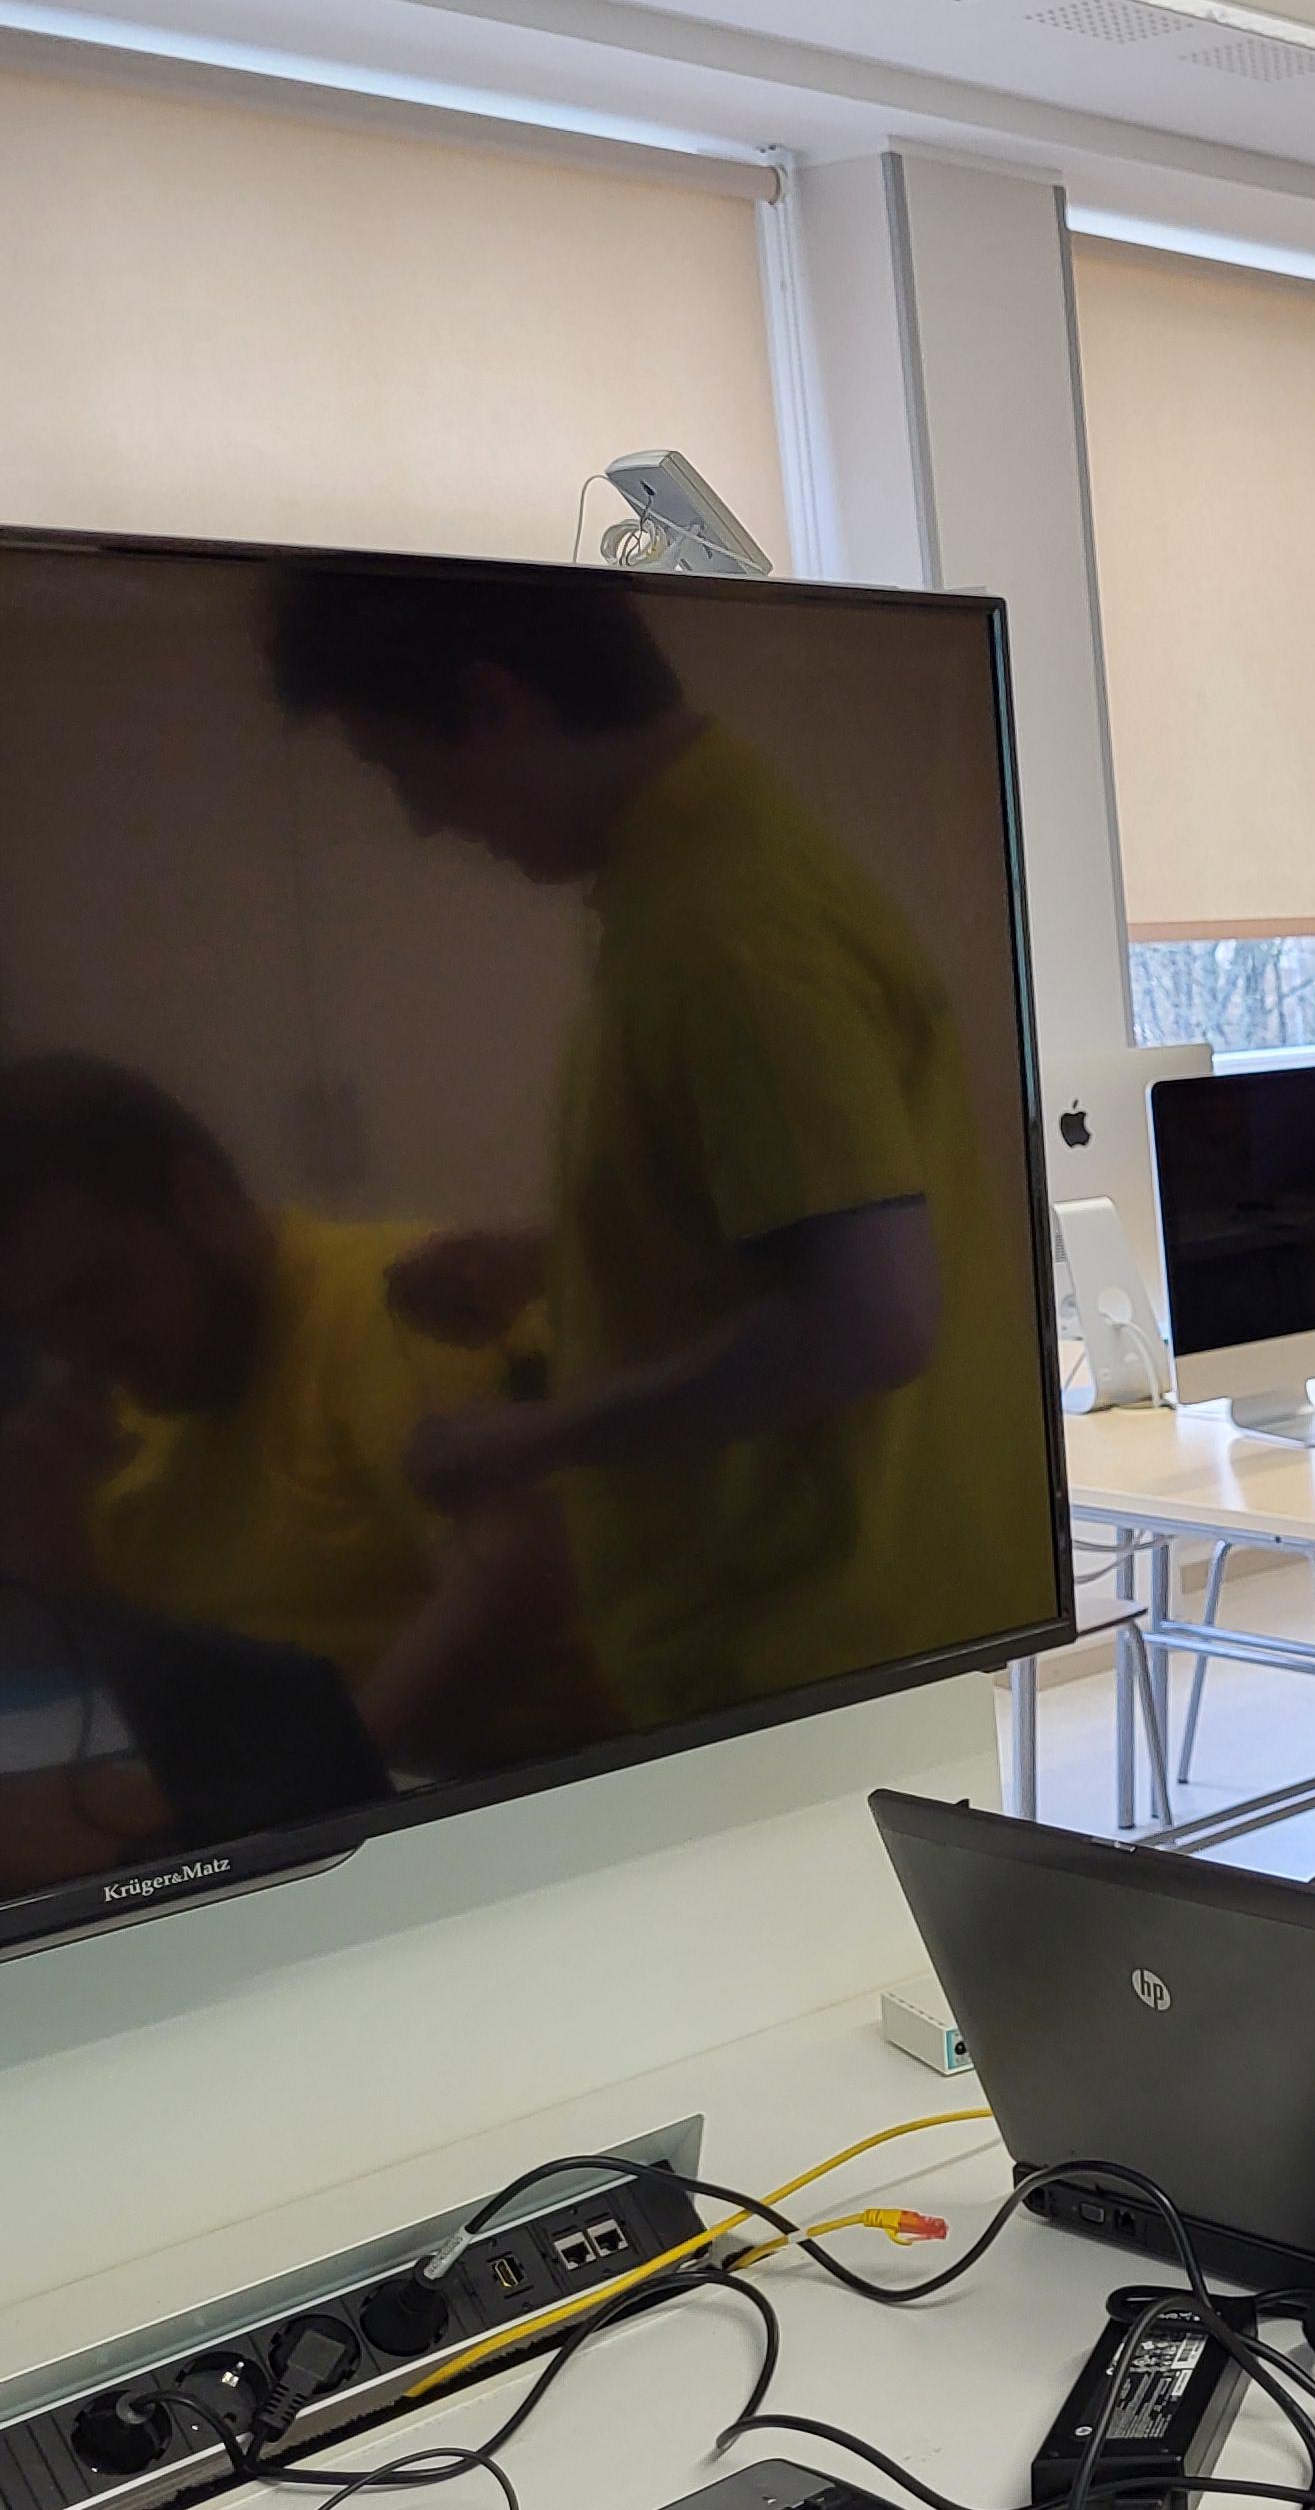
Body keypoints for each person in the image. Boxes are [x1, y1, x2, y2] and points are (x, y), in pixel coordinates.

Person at [263, 568, 1045, 1728]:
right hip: (808, 1628)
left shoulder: (730, 935)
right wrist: (555, 1260)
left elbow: (869, 1320)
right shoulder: (696, 880)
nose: (422, 819)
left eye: (398, 767)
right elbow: (800, 1219)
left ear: (492, 704)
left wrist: (532, 1440)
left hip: (813, 1639)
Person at [0, 1054, 593, 1775]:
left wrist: (317, 1796)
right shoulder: (123, 1408)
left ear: (199, 1202)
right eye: (40, 1326)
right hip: (295, 1788)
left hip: (528, 1787)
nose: (80, 1352)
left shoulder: (398, 1303)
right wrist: (39, 1540)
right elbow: (98, 1677)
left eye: (96, 1291)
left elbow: (521, 1572)